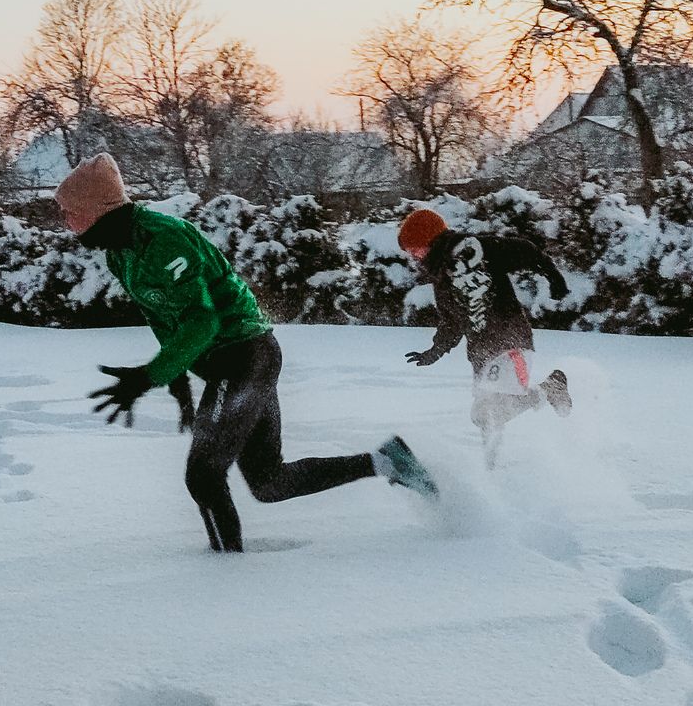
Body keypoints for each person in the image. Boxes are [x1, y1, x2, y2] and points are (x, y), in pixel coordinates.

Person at [54, 153, 436, 552]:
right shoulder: (121, 251)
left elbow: (202, 322)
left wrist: (149, 376)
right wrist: (177, 375)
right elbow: (167, 317)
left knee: (203, 475)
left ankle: (227, 575)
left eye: (70, 212)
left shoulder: (162, 240)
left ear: (97, 210)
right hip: (230, 362)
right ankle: (388, 461)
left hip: (244, 357)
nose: (66, 222)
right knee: (269, 483)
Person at [397, 209, 572, 468]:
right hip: (482, 352)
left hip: (510, 341)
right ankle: (492, 473)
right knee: (486, 419)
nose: (413, 255)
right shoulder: (442, 279)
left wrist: (554, 277)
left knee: (488, 414)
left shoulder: (473, 249)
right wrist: (434, 351)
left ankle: (551, 388)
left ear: (430, 239)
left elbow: (525, 250)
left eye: (414, 247)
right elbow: (453, 322)